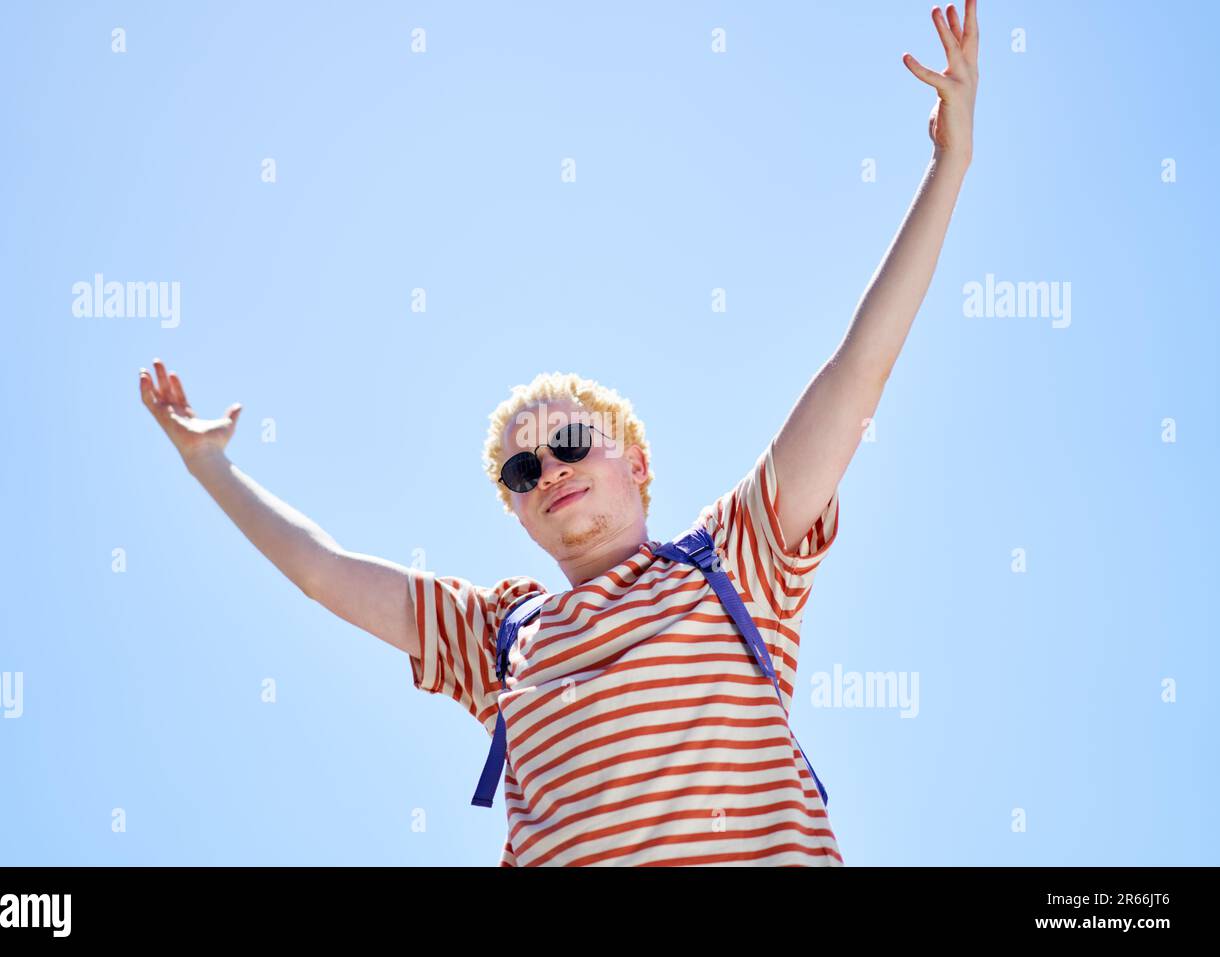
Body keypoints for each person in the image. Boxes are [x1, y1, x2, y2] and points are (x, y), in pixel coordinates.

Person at [138, 0, 979, 866]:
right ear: (517, 513)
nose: (547, 468)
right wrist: (211, 467)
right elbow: (322, 571)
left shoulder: (738, 559)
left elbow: (855, 375)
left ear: (637, 461)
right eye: (520, 467)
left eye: (572, 440)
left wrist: (949, 164)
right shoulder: (497, 634)